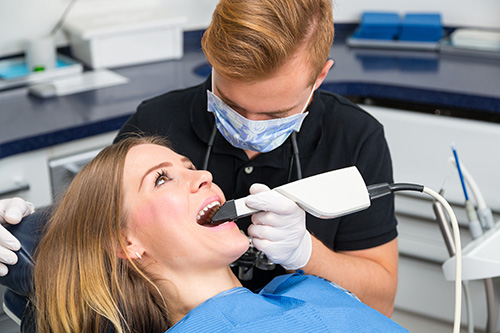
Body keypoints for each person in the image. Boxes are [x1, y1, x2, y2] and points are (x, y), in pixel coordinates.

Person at [0, 0, 398, 318]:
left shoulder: (355, 138)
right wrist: (24, 231)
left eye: (276, 115)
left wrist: (309, 254)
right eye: (229, 104)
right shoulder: (156, 124)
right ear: (212, 59)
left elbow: (379, 304)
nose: (249, 125)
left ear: (321, 76)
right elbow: (98, 226)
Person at [32, 135, 407, 332]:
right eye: (162, 179)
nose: (204, 176)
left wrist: (306, 250)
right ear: (125, 243)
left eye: (190, 165)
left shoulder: (304, 288)